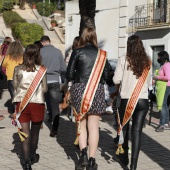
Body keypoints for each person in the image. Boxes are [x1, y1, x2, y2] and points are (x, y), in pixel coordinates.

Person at [66, 27, 110, 170]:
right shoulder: (102, 54)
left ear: (83, 37)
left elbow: (69, 74)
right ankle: (92, 160)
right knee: (94, 126)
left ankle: (83, 155)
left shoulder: (77, 52)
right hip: (96, 91)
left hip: (79, 89)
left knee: (81, 124)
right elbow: (106, 76)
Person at [113, 35, 151, 170]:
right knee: (137, 132)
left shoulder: (124, 59)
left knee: (124, 128)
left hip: (127, 99)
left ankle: (124, 157)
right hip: (142, 100)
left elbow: (116, 80)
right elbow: (148, 83)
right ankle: (134, 165)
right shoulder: (147, 61)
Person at [13, 44, 47, 170]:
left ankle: (26, 163)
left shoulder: (18, 69)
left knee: (24, 134)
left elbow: (15, 87)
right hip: (37, 103)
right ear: (38, 55)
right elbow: (44, 88)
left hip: (22, 103)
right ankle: (32, 155)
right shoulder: (42, 69)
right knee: (35, 132)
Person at [40, 35, 66, 137]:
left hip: (43, 81)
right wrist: (63, 80)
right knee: (55, 105)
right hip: (55, 80)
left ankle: (40, 123)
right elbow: (63, 68)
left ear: (42, 43)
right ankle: (54, 128)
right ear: (50, 41)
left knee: (42, 102)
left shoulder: (40, 52)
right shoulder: (58, 51)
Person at [2, 41, 23, 118]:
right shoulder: (22, 57)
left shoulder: (8, 57)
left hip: (10, 78)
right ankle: (21, 111)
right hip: (21, 78)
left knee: (13, 96)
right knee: (21, 95)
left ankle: (15, 112)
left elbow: (3, 65)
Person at [153, 51, 170, 132]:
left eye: (158, 57)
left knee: (162, 105)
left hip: (166, 87)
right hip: (165, 87)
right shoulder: (164, 65)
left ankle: (162, 124)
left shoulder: (166, 65)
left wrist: (157, 77)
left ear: (162, 57)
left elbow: (167, 77)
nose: (157, 58)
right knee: (165, 105)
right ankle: (166, 123)